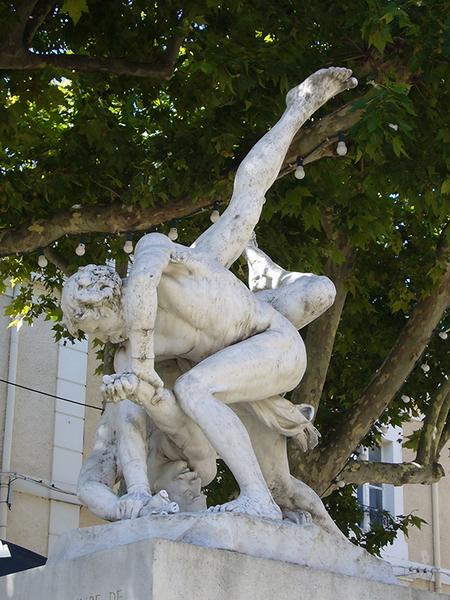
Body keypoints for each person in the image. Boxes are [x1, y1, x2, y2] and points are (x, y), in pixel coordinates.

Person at [62, 67, 357, 521]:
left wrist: (298, 111)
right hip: (239, 375)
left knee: (200, 382)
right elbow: (138, 430)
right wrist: (135, 495)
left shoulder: (165, 260)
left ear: (108, 299)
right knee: (280, 479)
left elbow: (249, 194)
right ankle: (284, 507)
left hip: (273, 346)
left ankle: (256, 502)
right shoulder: (131, 358)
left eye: (93, 327)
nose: (98, 338)